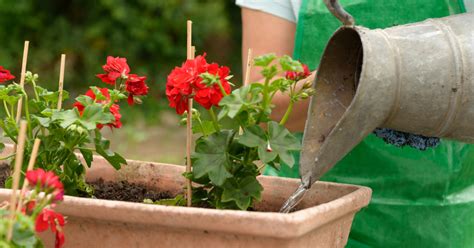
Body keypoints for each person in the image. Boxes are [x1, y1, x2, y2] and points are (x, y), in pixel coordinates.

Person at [237, 0, 474, 247]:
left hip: (437, 221)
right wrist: (354, 73)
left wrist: (423, 78)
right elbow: (264, 112)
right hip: (312, 219)